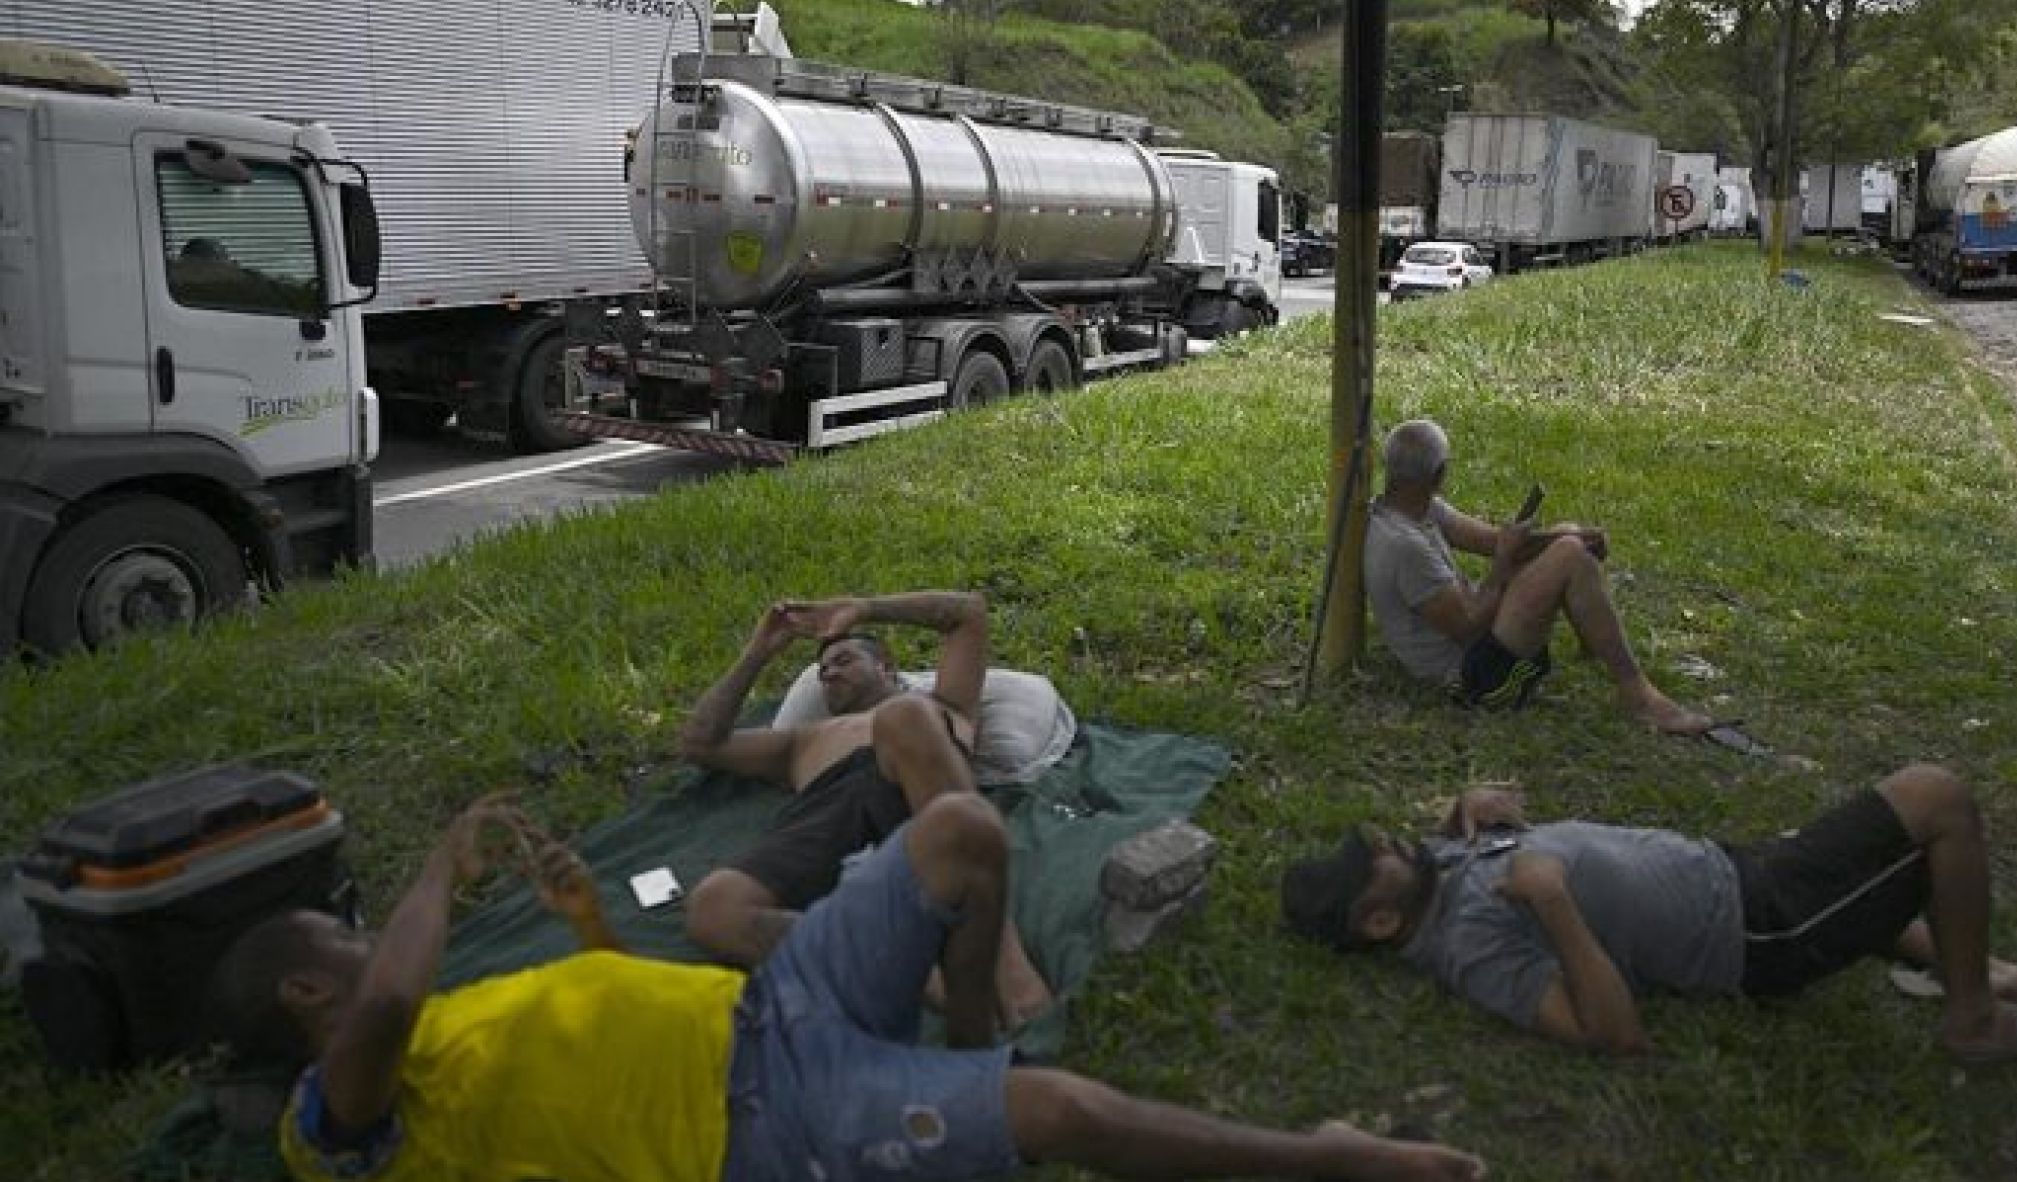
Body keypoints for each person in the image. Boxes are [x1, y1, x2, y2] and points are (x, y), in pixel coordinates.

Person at [210, 794, 1488, 1182]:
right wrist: (437, 853)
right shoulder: (334, 1121)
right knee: (1057, 1114)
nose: (369, 951)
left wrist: (592, 929)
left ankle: (972, 1033)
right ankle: (1332, 1163)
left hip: (774, 1005)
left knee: (960, 829)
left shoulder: (447, 1027)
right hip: (761, 1113)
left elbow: (590, 1034)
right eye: (344, 941)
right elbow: (383, 1008)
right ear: (306, 1001)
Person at [1281, 763, 2017, 1064]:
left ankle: (1979, 968)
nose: (1391, 843)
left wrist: (1469, 805)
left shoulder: (1437, 869)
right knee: (1936, 800)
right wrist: (1556, 903)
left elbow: (1446, 842)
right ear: (1380, 923)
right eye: (1374, 859)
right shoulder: (1468, 949)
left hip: (1736, 868)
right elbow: (1612, 1032)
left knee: (1875, 857)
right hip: (1756, 929)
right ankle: (1971, 1017)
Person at [678, 589, 1051, 1024]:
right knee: (713, 910)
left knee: (904, 716)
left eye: (844, 661)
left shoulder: (941, 706)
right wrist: (757, 653)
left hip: (918, 801)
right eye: (822, 671)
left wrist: (865, 608)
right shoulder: (801, 740)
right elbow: (700, 743)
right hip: (825, 818)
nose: (829, 674)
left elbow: (967, 612)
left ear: (886, 666)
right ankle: (923, 976)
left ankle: (1010, 975)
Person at [1364, 417, 1712, 734]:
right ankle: (1638, 695)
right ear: (1440, 474)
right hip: (1473, 678)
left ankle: (1595, 644)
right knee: (1570, 557)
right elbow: (1467, 626)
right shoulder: (1403, 546)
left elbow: (1492, 541)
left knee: (1568, 538)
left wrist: (1565, 536)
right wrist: (1507, 561)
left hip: (1478, 642)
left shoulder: (1417, 506)